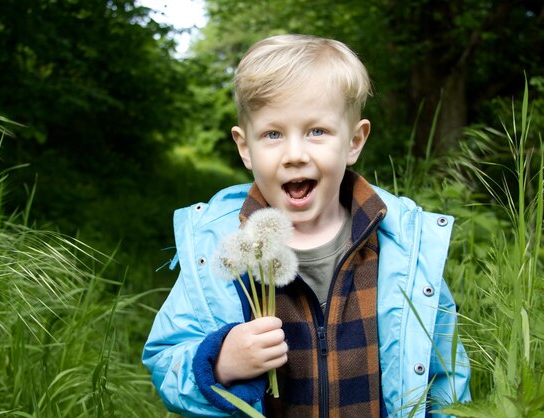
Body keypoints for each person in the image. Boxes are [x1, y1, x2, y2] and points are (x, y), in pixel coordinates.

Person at [142, 34, 471, 417]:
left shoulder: (403, 245)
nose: (295, 155)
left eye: (317, 131)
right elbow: (165, 360)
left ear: (354, 141)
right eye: (273, 134)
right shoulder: (220, 246)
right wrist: (219, 363)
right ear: (244, 147)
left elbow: (445, 375)